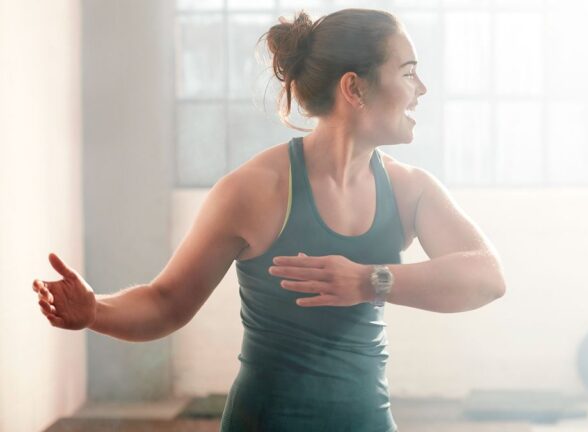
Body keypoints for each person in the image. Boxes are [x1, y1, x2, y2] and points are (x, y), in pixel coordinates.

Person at [31, 8, 506, 432]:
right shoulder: (253, 191)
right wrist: (95, 312)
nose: (421, 89)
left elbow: (487, 277)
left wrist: (370, 281)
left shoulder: (409, 189)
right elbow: (167, 302)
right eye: (408, 72)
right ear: (354, 88)